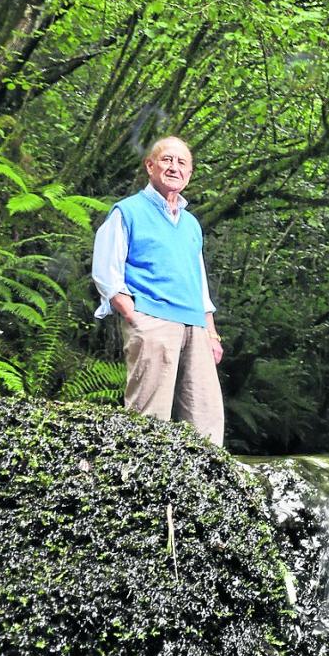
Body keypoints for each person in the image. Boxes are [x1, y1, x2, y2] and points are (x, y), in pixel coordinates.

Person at [91, 136, 225, 446]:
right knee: (149, 415)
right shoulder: (128, 211)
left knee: (205, 417)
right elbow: (106, 270)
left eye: (182, 163)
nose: (174, 167)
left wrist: (212, 333)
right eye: (167, 160)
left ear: (189, 174)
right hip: (152, 319)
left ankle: (202, 488)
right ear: (150, 166)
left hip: (195, 325)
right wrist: (133, 315)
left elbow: (199, 280)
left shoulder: (192, 224)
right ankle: (140, 485)